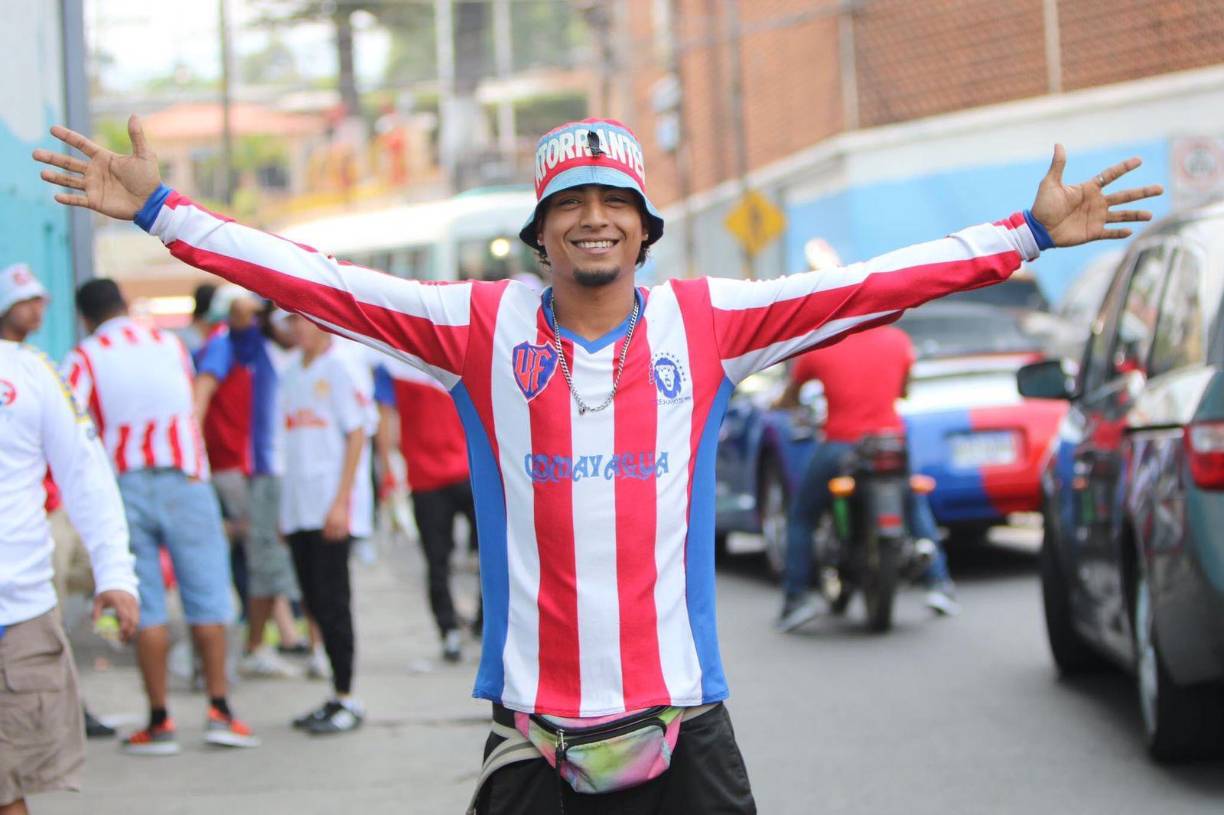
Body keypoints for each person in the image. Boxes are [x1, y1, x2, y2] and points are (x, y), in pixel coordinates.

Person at [36, 115, 1160, 813]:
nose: (591, 221)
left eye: (612, 203)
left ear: (642, 226)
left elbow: (870, 283)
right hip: (532, 740)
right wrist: (166, 214)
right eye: (568, 204)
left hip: (685, 726)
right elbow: (317, 279)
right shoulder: (476, 326)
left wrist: (1026, 235)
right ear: (540, 230)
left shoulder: (708, 322)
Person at [62, 278, 258, 755]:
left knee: (145, 603)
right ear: (125, 306)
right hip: (187, 480)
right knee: (209, 595)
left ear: (85, 317)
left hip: (125, 486)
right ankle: (220, 712)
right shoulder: (167, 344)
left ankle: (159, 720)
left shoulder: (84, 356)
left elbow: (71, 426)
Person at [0, 338, 139, 815]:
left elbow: (86, 473)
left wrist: (115, 574)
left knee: (5, 787)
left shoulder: (29, 371)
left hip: (15, 622)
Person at [775, 325, 957, 633]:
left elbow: (790, 396)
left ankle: (796, 599)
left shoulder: (820, 343)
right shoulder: (899, 340)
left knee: (802, 515)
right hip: (891, 443)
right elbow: (903, 391)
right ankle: (939, 584)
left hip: (840, 446)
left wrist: (784, 406)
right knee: (912, 502)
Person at [0, 262, 116, 739]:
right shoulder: (51, 364)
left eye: (40, 300)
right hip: (42, 514)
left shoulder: (38, 366)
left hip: (50, 509)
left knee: (55, 611)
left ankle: (68, 700)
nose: (37, 309)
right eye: (27, 301)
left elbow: (81, 451)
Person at [194, 291, 306, 679]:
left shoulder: (303, 353)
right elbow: (239, 312)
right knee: (265, 558)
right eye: (288, 318)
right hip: (253, 471)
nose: (296, 325)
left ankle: (283, 639)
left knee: (279, 558)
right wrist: (271, 304)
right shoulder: (245, 345)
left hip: (285, 473)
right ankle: (258, 644)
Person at [278, 313, 375, 735]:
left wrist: (341, 504)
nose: (296, 328)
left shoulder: (340, 365)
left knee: (335, 603)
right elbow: (290, 443)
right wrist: (285, 510)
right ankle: (333, 695)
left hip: (330, 508)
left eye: (301, 320)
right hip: (300, 506)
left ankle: (348, 696)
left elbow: (356, 434)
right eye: (290, 321)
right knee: (313, 602)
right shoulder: (291, 371)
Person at [381, 357, 478, 663]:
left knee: (489, 556)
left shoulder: (456, 343)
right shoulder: (391, 364)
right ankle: (450, 629)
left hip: (468, 471)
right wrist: (388, 470)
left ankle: (481, 624)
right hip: (429, 478)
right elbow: (385, 418)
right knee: (439, 562)